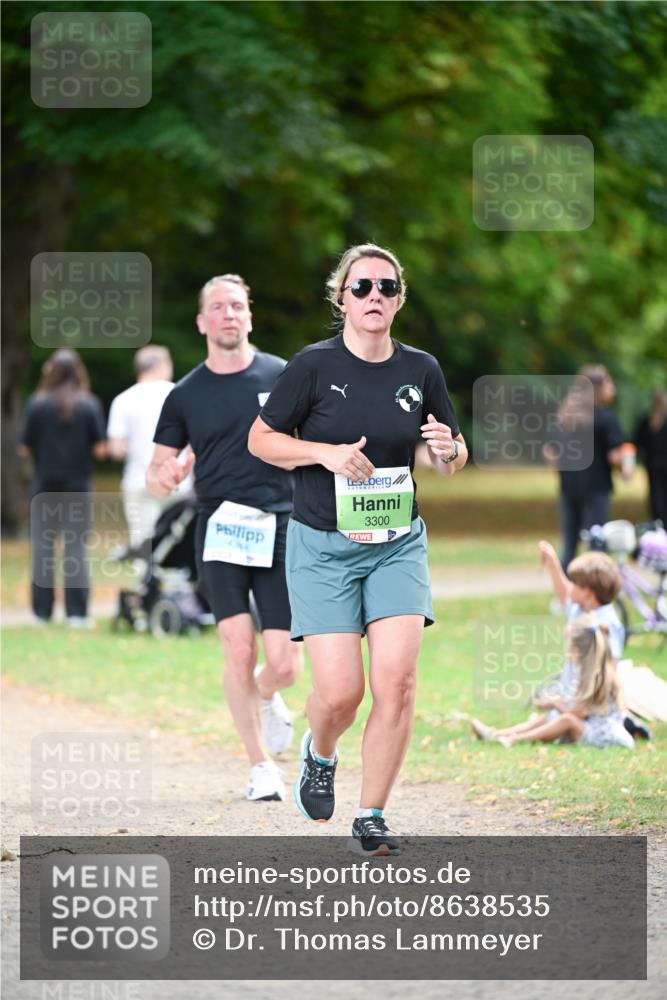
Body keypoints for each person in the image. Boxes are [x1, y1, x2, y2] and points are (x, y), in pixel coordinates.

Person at [248, 243, 468, 855]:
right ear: (341, 298)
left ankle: (371, 813)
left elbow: (449, 450)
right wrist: (326, 453)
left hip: (397, 544)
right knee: (341, 691)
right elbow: (261, 440)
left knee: (395, 683)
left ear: (399, 299)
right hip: (323, 546)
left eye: (387, 288)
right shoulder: (312, 367)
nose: (375, 297)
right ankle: (320, 754)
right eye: (363, 286)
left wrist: (450, 451)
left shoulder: (421, 369)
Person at [146, 273, 300, 803]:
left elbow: (312, 440)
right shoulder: (185, 394)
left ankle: (264, 696)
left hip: (282, 525)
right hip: (222, 530)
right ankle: (259, 766)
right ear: (202, 322)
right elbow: (154, 471)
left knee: (284, 664)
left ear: (249, 316)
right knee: (238, 646)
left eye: (237, 305)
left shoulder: (283, 374)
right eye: (218, 306)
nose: (229, 314)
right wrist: (164, 477)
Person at [18, 349, 106, 627]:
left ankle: (42, 613)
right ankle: (77, 614)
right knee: (75, 547)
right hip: (78, 485)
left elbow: (23, 447)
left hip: (44, 485)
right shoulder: (89, 405)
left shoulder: (37, 404)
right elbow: (101, 448)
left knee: (43, 547)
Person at [471, 617, 634, 749]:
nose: (567, 652)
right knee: (552, 716)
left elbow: (577, 714)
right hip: (592, 727)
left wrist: (554, 703)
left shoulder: (595, 677)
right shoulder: (589, 672)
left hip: (605, 737)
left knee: (565, 719)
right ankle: (498, 733)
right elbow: (578, 708)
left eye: (570, 647)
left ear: (580, 652)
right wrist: (554, 704)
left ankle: (515, 739)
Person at [547, 365, 630, 569]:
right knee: (596, 547)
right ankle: (595, 595)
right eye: (609, 384)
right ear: (597, 387)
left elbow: (550, 452)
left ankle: (566, 596)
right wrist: (627, 466)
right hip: (596, 488)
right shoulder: (604, 418)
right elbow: (614, 455)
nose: (613, 389)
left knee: (569, 546)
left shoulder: (564, 416)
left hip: (569, 487)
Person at [107, 345, 190, 549]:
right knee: (176, 539)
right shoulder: (180, 393)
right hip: (177, 479)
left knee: (142, 540)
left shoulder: (123, 400)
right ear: (161, 365)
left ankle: (146, 578)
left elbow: (116, 449)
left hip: (138, 479)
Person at [634, 388, 667, 525]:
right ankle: (658, 524)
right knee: (655, 497)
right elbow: (636, 442)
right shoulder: (645, 421)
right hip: (652, 465)